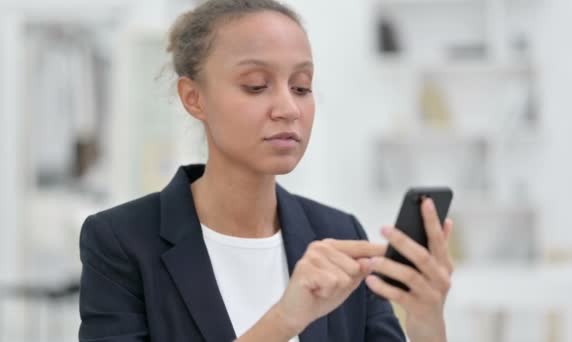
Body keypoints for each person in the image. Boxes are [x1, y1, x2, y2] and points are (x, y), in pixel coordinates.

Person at [78, 1, 454, 341]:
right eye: (256, 86)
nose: (288, 108)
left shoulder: (338, 234)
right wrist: (284, 320)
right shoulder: (121, 241)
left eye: (301, 87)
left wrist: (426, 320)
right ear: (194, 98)